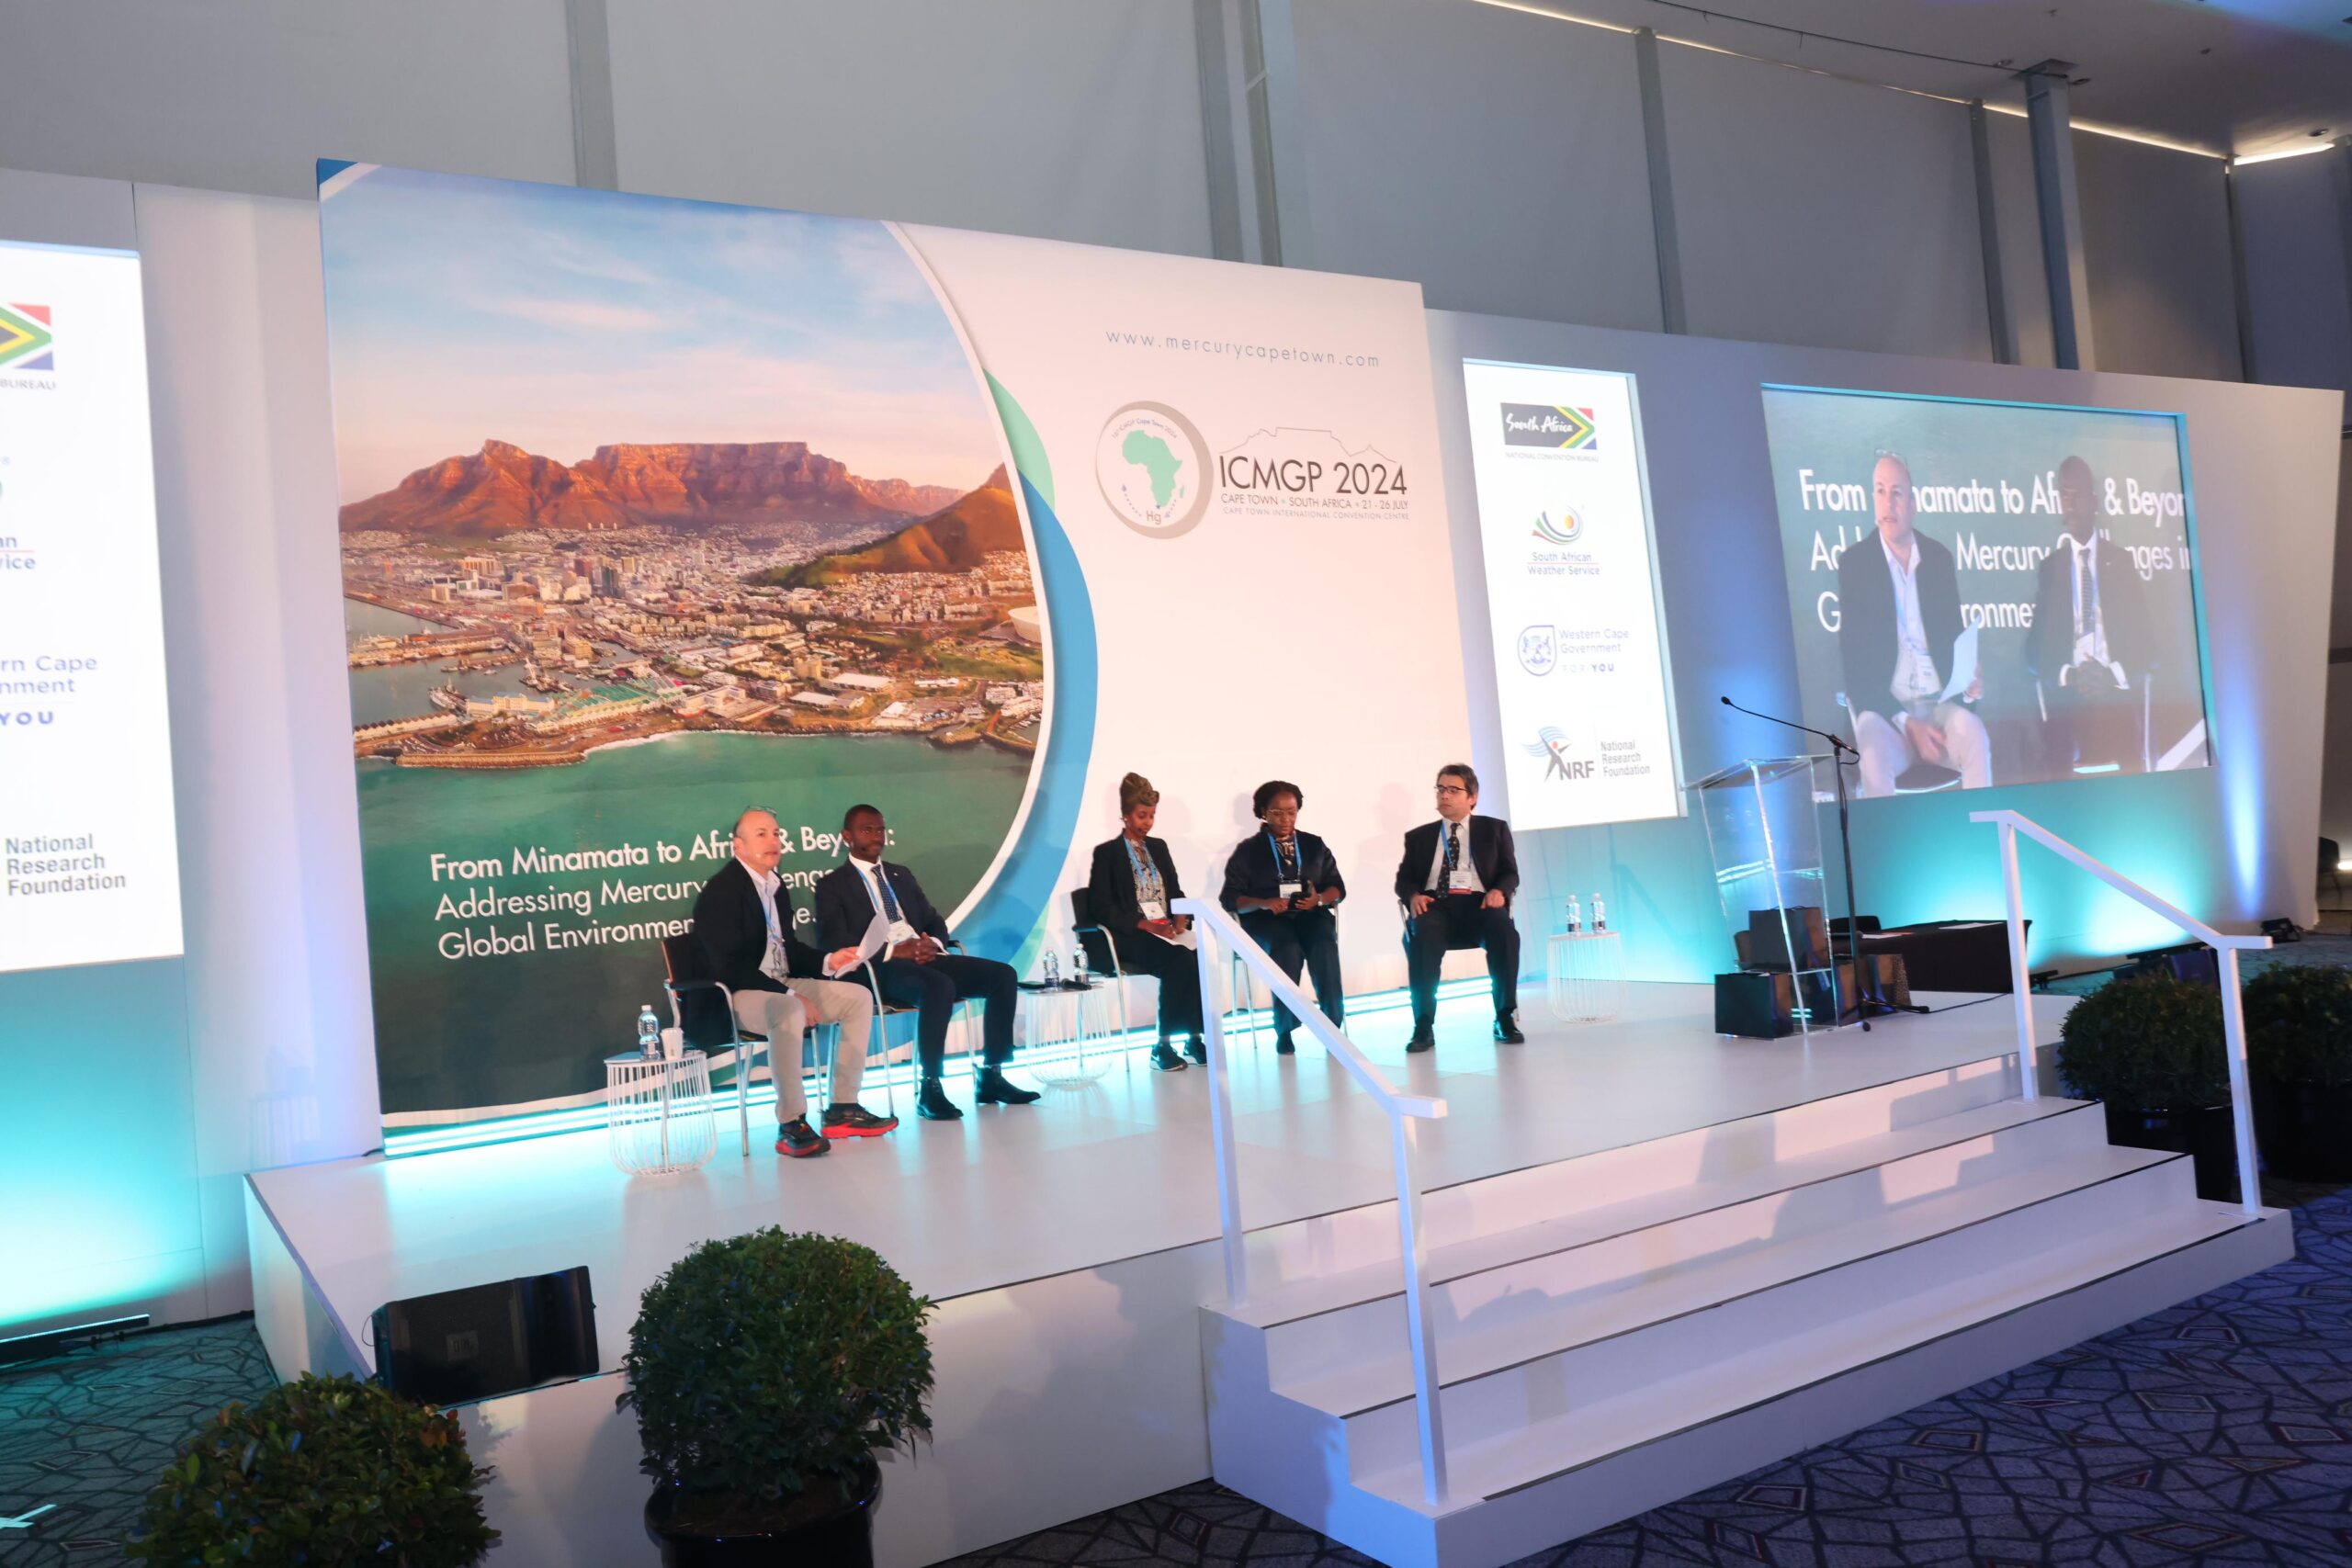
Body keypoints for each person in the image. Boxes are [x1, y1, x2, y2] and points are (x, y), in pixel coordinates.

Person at [690, 807, 898, 1158]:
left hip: (779, 983)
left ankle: (843, 1108)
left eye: (776, 833)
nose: (773, 841)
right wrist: (789, 993)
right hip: (736, 993)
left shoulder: (775, 885)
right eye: (761, 834)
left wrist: (828, 961)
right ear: (738, 846)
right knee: (788, 1009)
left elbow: (788, 949)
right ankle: (791, 1123)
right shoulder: (721, 892)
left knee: (858, 997)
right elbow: (729, 966)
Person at [812, 803, 1037, 1121]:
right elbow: (834, 940)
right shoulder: (833, 884)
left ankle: (991, 1075)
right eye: (867, 830)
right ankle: (930, 1086)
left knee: (1003, 976)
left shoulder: (900, 875)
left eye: (880, 829)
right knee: (939, 986)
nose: (876, 836)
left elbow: (934, 921)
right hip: (878, 968)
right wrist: (894, 951)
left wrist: (932, 944)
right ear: (847, 836)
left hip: (924, 957)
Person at [1837, 450, 1990, 797]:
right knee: (1870, 744)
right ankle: (1884, 833)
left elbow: (1954, 645)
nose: (1887, 502)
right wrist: (1908, 724)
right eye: (1879, 491)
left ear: (1912, 503)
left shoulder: (1938, 559)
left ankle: (1984, 827)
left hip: (1939, 710)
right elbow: (1856, 672)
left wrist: (1969, 686)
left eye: (1896, 493)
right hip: (1888, 715)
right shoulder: (1855, 564)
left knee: (1975, 734)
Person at [2027, 454, 2147, 774]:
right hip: (2069, 695)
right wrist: (2069, 675)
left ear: (2093, 502)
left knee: (2127, 753)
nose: (2071, 504)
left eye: (2078, 494)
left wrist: (2111, 675)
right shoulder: (2051, 568)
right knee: (2055, 747)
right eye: (2064, 495)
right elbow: (2033, 653)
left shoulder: (2121, 563)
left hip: (2113, 691)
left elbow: (2147, 648)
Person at [1394, 763, 1522, 1053]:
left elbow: (1510, 872)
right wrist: (1413, 895)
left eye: (1453, 790)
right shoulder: (1419, 837)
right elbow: (1404, 879)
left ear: (1472, 797)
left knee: (1504, 933)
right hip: (1435, 906)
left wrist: (1499, 891)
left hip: (1480, 904)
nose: (1444, 795)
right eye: (1440, 789)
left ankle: (1504, 1017)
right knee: (1421, 935)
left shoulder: (1494, 829)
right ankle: (1423, 1026)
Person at [1085, 773, 1205, 1072]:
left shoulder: (1159, 847)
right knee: (1179, 960)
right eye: (1141, 816)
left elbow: (1174, 891)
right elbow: (1101, 907)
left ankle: (1194, 1039)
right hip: (1131, 934)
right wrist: (1147, 925)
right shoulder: (1107, 853)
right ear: (1125, 815)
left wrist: (1181, 917)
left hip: (1166, 930)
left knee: (1200, 955)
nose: (1147, 822)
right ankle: (1162, 1046)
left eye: (1152, 815)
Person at [1219, 779, 1345, 1055]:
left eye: (1291, 811)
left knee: (1324, 944)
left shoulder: (1313, 845)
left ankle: (1333, 1026)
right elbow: (1229, 897)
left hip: (1309, 913)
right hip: (1267, 919)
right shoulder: (1248, 850)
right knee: (1287, 949)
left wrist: (1318, 899)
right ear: (1263, 812)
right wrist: (1263, 903)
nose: (1286, 819)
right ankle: (1285, 1030)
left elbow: (1337, 887)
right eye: (1277, 812)